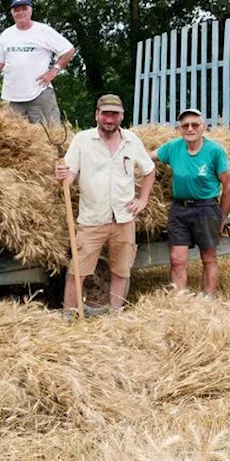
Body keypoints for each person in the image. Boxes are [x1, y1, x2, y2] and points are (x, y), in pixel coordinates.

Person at [54, 94, 156, 315]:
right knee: (78, 272)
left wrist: (143, 200)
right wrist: (63, 175)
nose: (110, 119)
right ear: (97, 115)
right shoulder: (82, 140)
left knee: (121, 270)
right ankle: (69, 316)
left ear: (121, 116)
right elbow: (70, 175)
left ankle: (115, 314)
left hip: (123, 219)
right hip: (92, 220)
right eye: (105, 114)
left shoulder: (131, 140)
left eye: (114, 114)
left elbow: (149, 170)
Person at [149, 108, 230, 295]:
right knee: (177, 258)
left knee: (208, 257)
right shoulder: (173, 147)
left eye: (194, 125)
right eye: (185, 125)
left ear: (203, 127)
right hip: (179, 209)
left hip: (206, 208)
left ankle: (208, 297)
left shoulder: (214, 151)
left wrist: (222, 216)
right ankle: (180, 297)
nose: (189, 129)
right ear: (179, 129)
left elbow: (228, 185)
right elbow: (148, 158)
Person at [0, 0, 75, 126]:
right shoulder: (6, 35)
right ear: (12, 13)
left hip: (40, 95)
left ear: (30, 10)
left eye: (23, 8)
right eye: (16, 9)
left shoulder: (43, 31)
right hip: (13, 99)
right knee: (12, 142)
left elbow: (69, 50)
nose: (20, 12)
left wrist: (54, 70)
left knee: (50, 138)